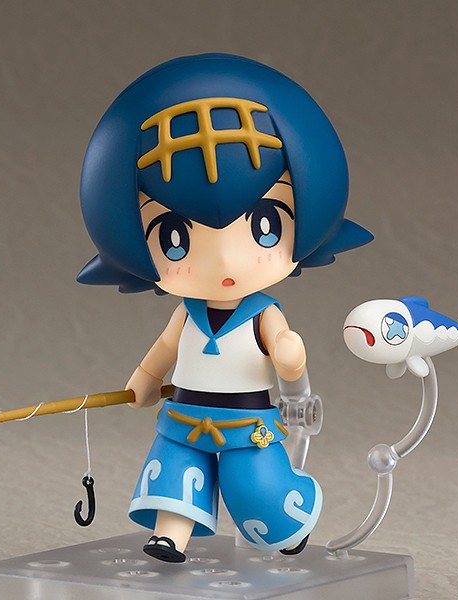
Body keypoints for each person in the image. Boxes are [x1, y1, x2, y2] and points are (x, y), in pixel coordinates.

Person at [77, 53, 372, 562]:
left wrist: (290, 357)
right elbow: (166, 347)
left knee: (253, 483)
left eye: (264, 226)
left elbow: (286, 356)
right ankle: (170, 535)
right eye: (173, 236)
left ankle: (286, 527)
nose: (226, 262)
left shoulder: (263, 314)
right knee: (175, 473)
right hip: (185, 413)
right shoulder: (186, 312)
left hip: (246, 422)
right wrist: (144, 379)